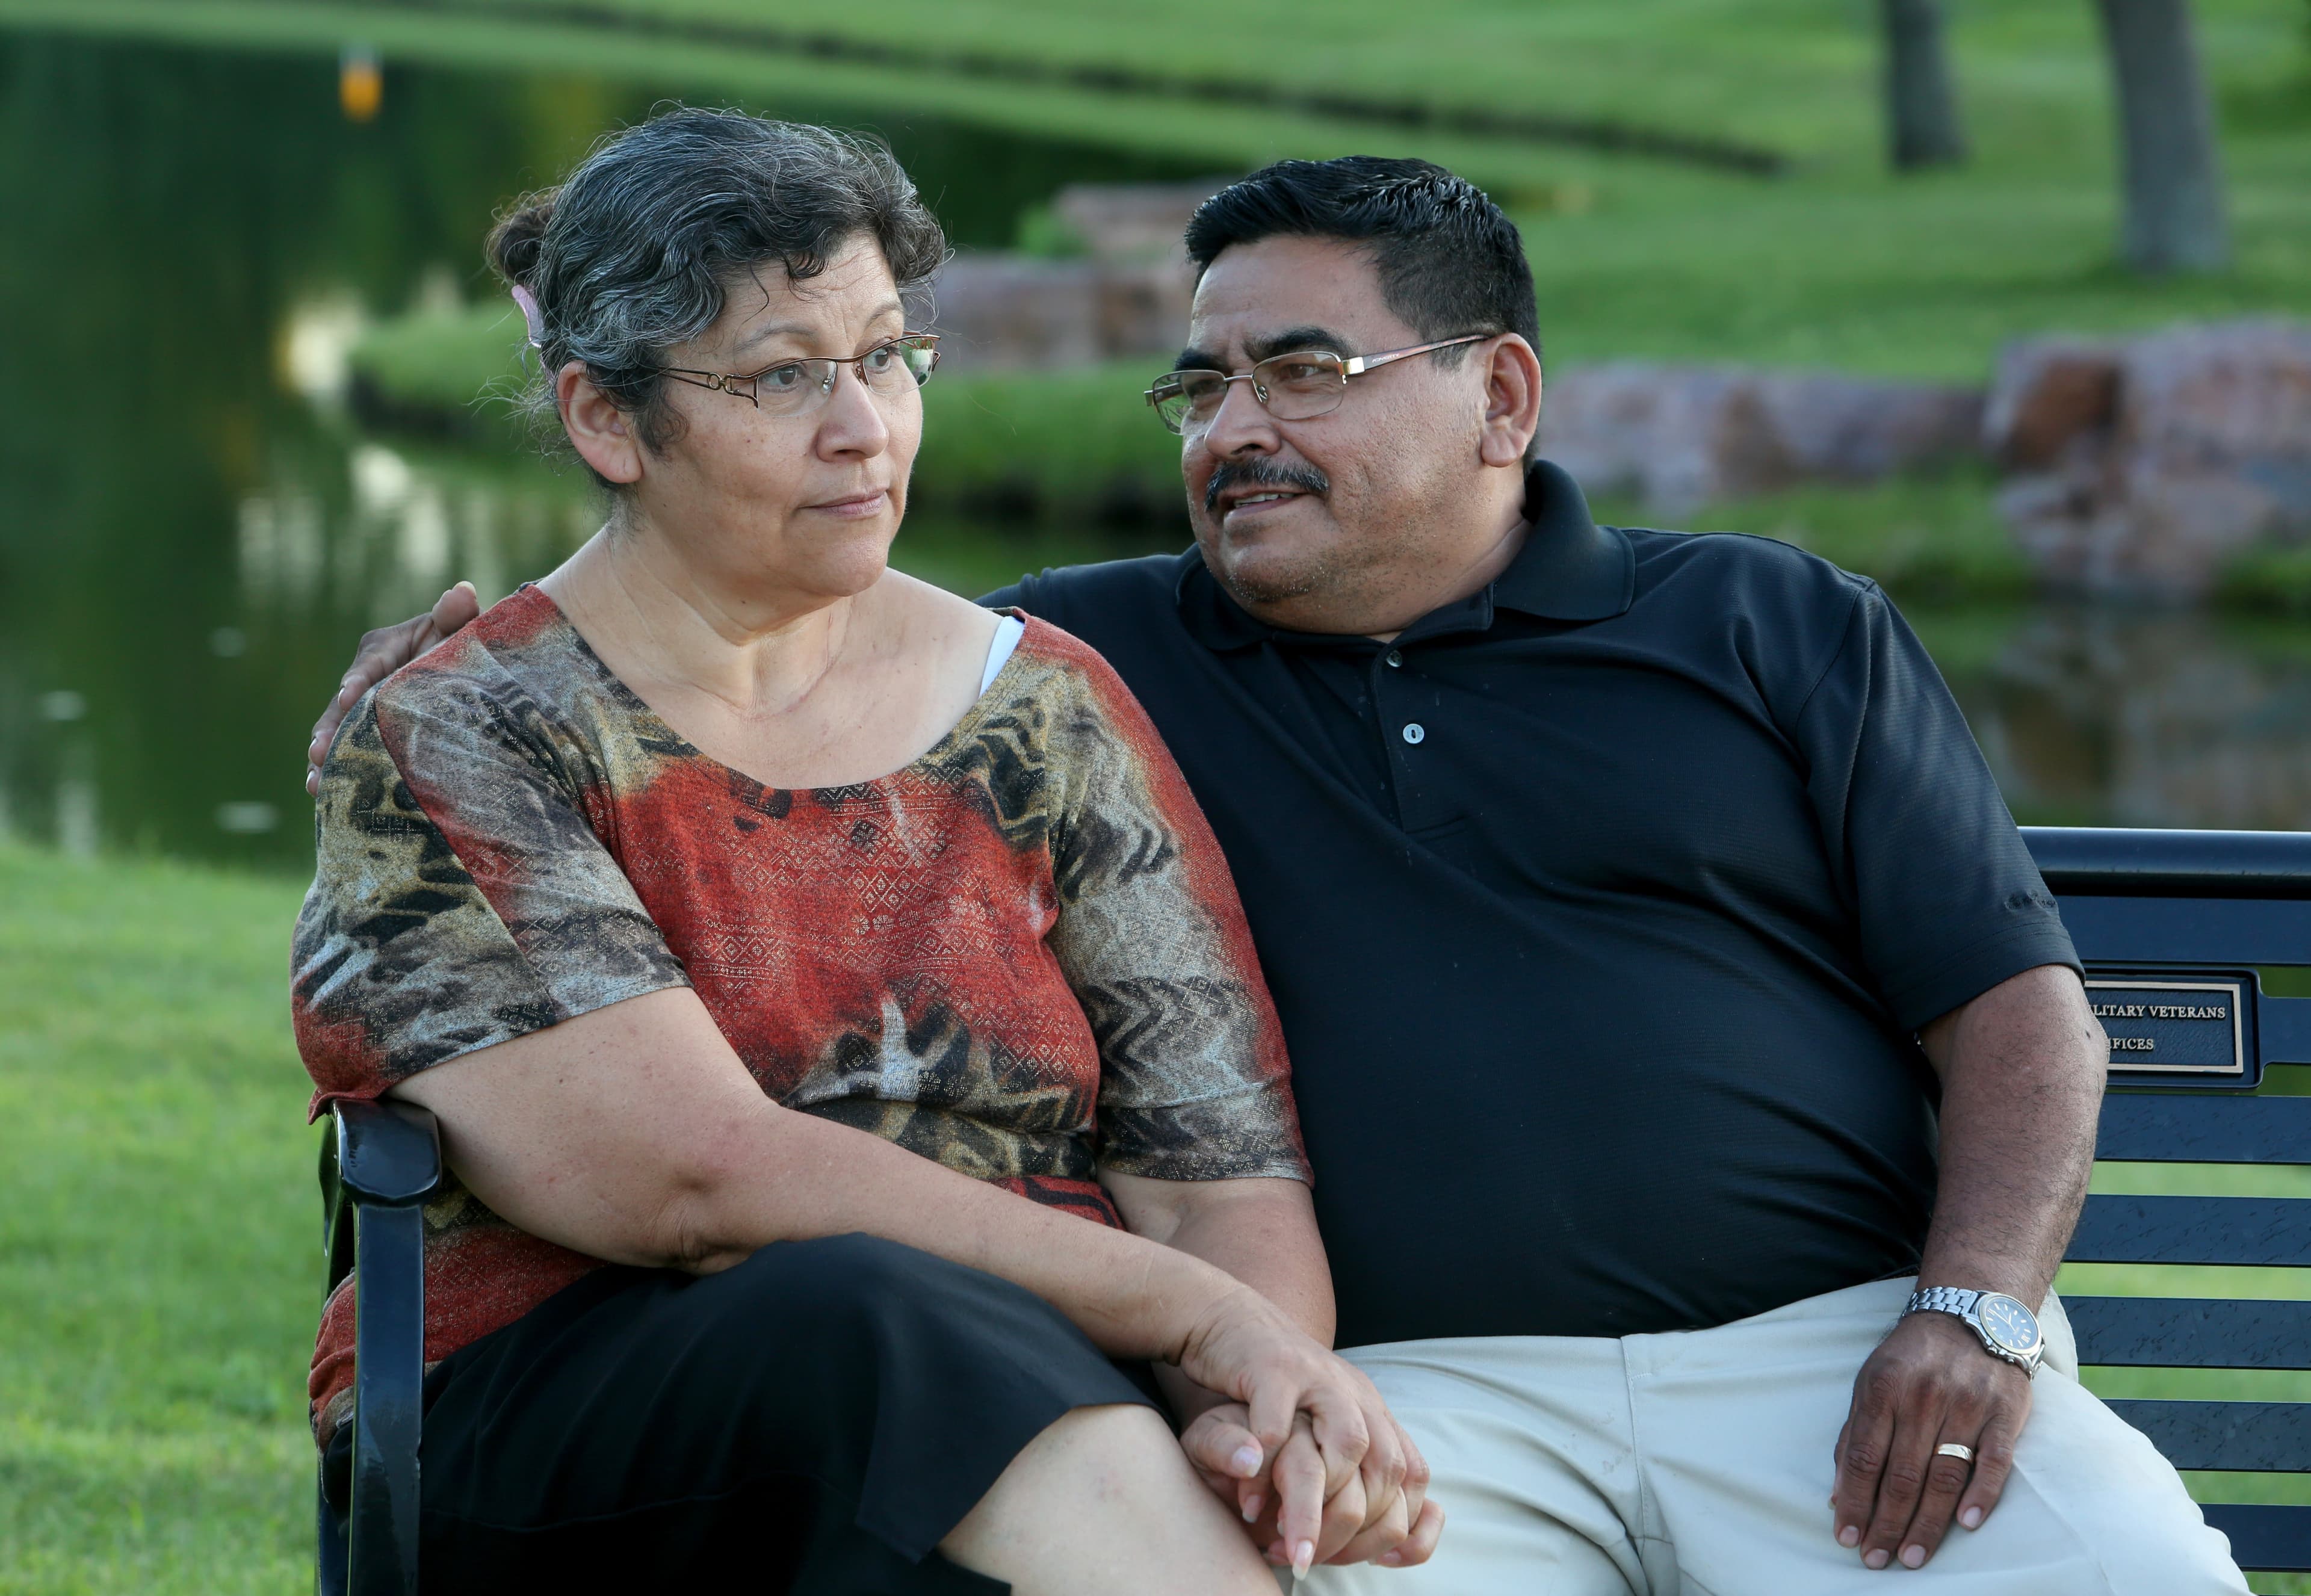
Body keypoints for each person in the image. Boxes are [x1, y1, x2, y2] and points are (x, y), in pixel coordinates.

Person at [317, 154, 2251, 1593]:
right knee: (912, 1343)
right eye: (1205, 387)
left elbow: (1218, 1148)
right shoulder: (1062, 653)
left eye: (1306, 370)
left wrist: (1976, 1308)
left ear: (1501, 396)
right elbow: (686, 1089)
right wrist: (1228, 1347)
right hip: (1295, 1399)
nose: (1235, 429)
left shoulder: (1757, 625)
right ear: (604, 414)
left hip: (1811, 1363)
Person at [293, 112, 1443, 1596]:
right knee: (866, 1311)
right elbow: (695, 1183)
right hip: (584, 1417)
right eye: (782, 377)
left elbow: (1219, 1174)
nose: (866, 427)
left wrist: (1243, 1392)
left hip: (1051, 1391)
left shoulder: (1046, 710)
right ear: (605, 419)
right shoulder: (467, 730)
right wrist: (1187, 1318)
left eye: (888, 354)